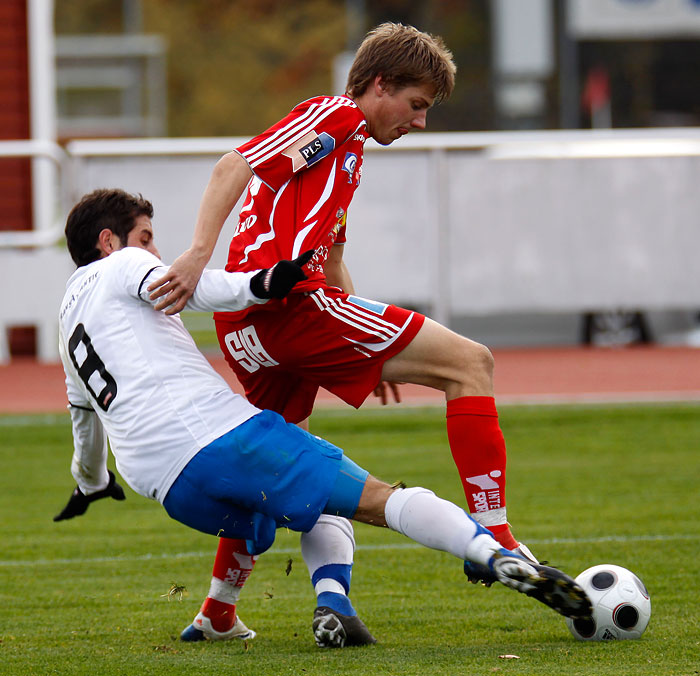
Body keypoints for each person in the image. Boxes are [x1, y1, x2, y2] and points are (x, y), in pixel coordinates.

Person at [54, 188, 591, 650]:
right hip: (217, 439)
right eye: (147, 238)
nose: (156, 251)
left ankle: (221, 614)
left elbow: (84, 421)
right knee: (374, 497)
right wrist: (267, 283)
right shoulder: (123, 265)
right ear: (109, 241)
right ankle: (492, 554)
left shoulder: (66, 318)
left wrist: (91, 482)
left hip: (167, 488)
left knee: (303, 506)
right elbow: (198, 288)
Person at [148, 22, 536, 643]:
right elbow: (234, 165)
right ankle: (493, 536)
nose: (419, 123)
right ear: (379, 85)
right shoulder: (335, 116)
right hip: (287, 308)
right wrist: (197, 254)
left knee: (280, 463)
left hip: (250, 328)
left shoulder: (341, 155)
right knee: (471, 364)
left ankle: (218, 611)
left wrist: (365, 356)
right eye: (417, 105)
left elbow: (327, 256)